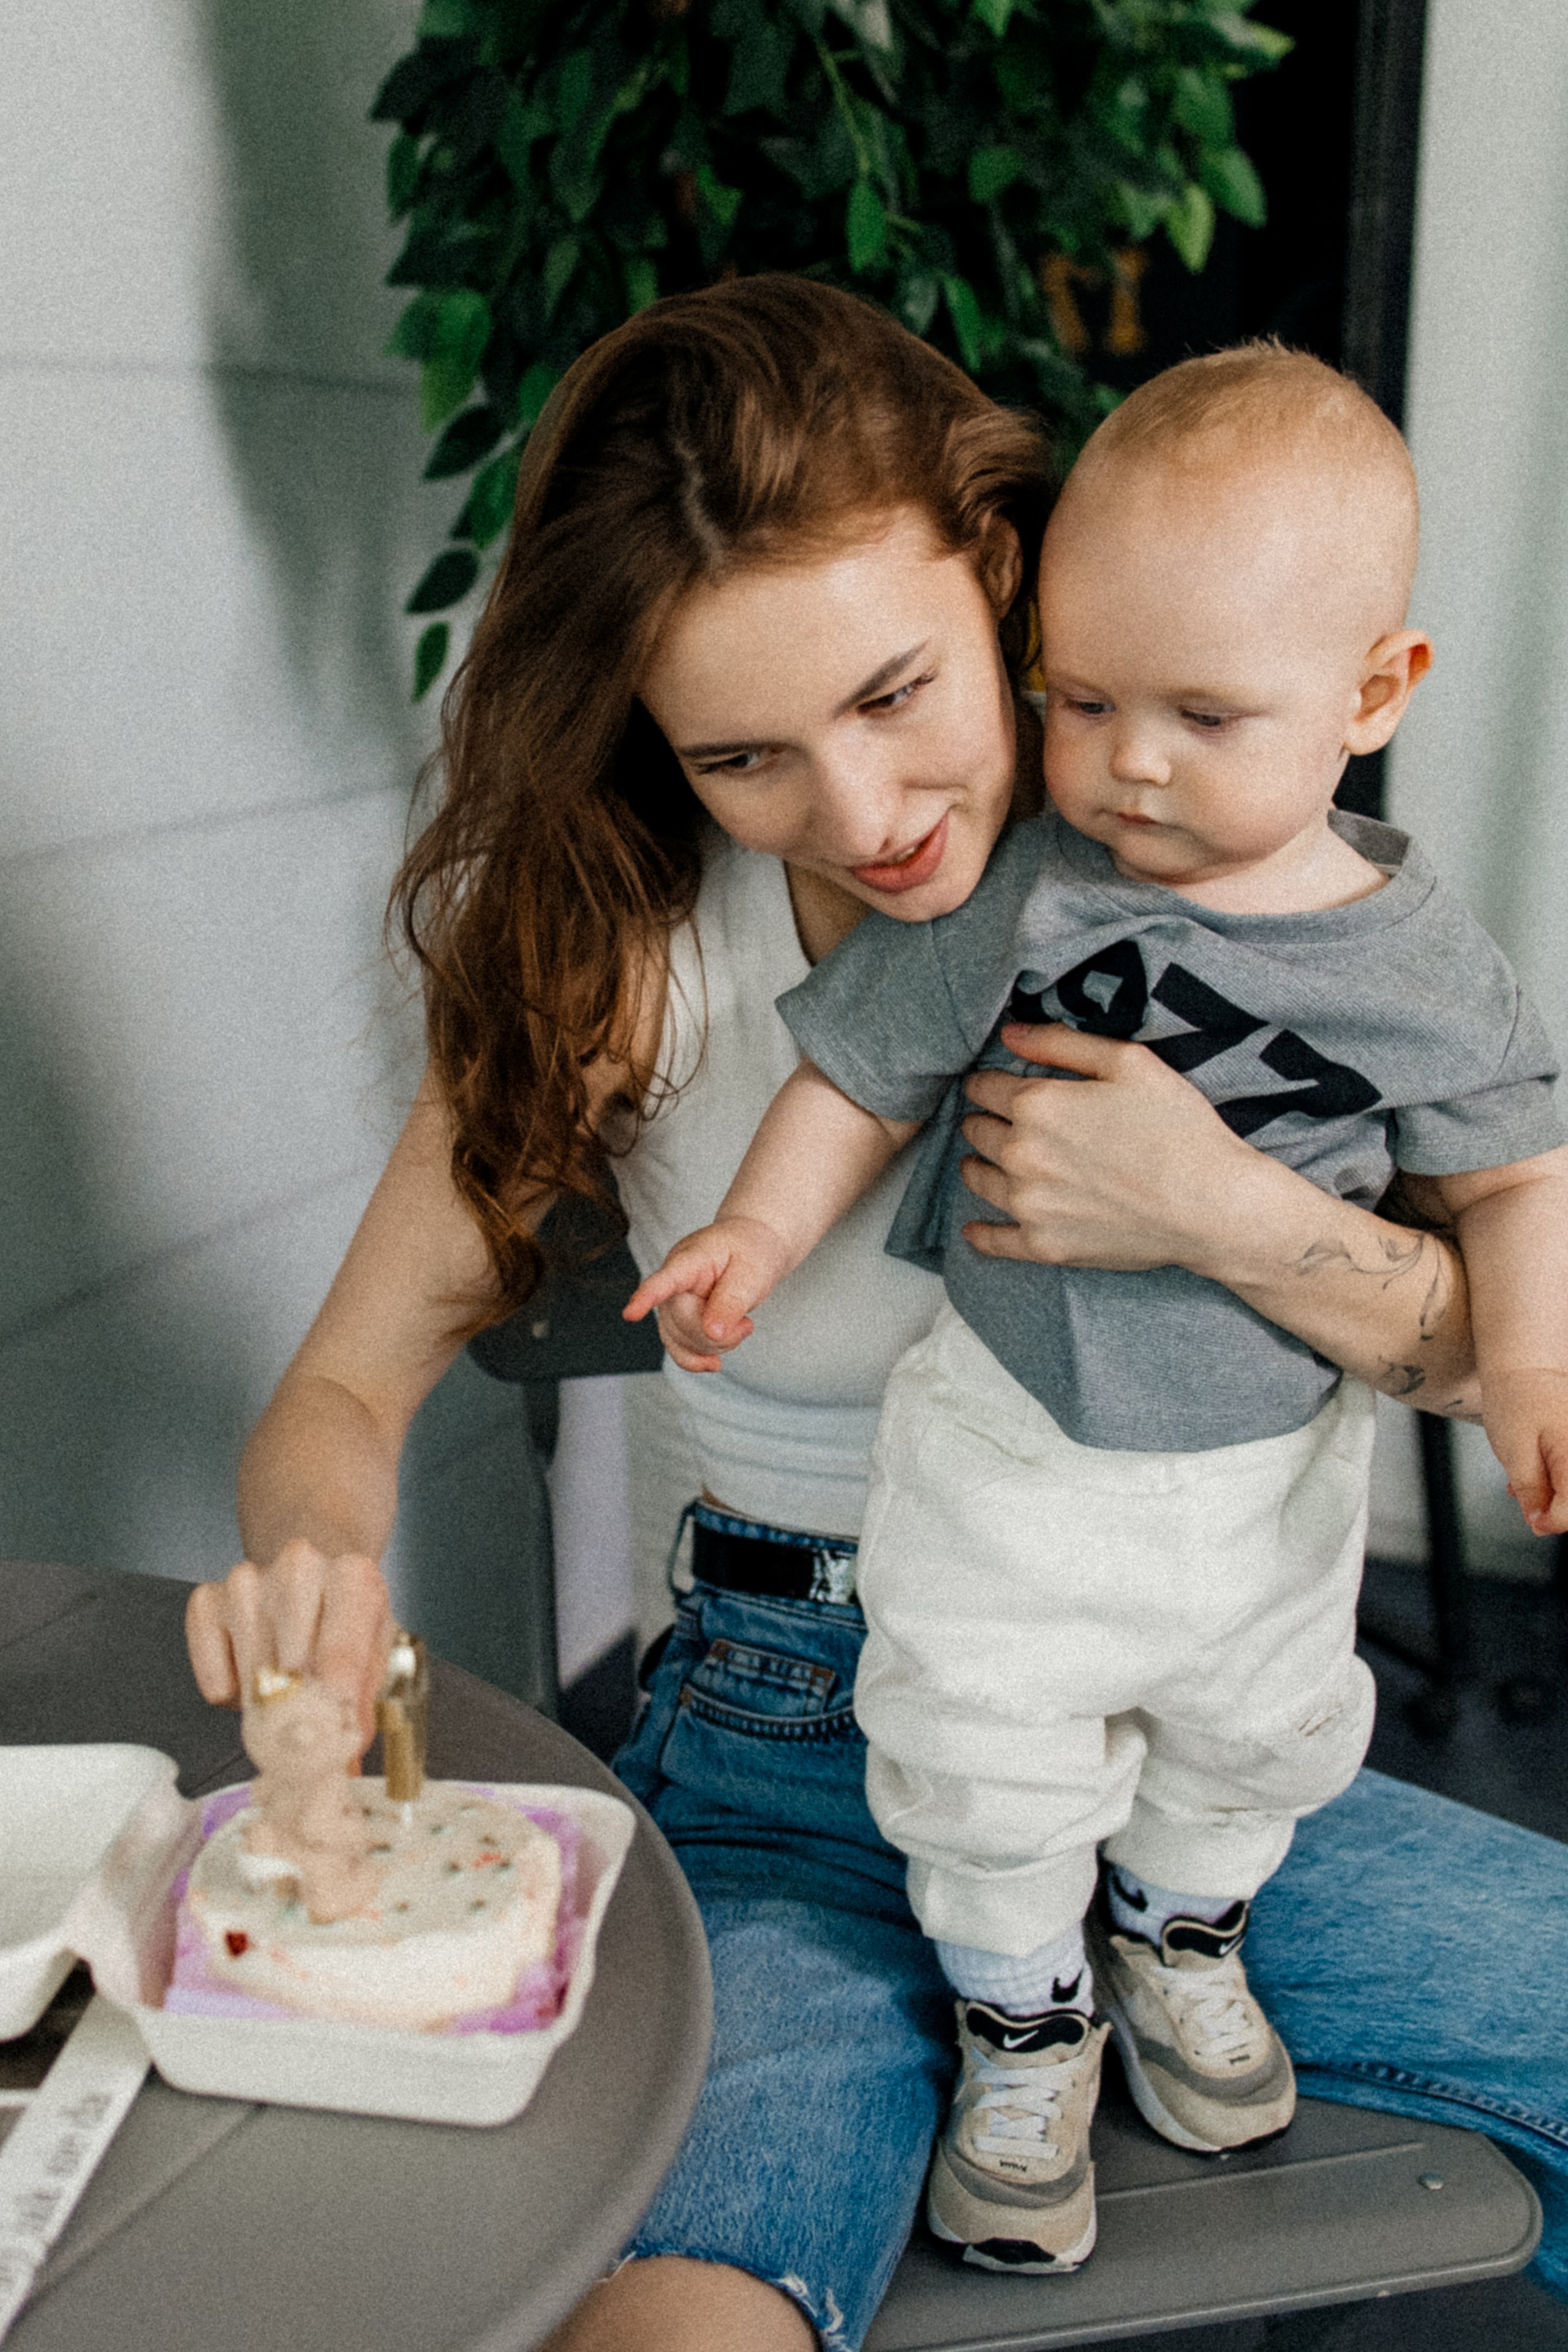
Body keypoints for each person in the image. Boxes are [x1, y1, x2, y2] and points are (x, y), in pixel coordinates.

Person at [182, 280, 1568, 2352]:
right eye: (744, 755)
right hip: (789, 1746)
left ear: (1000, 573)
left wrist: (1229, 1217)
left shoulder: (1212, 845)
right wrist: (310, 1567)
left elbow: (1490, 1338)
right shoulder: (632, 959)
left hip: (1191, 1735)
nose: (863, 813)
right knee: (672, 2322)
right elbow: (347, 1386)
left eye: (901, 693)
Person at [624, 344, 1568, 2274]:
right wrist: (753, 1235)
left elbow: (1519, 1180)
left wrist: (1528, 1347)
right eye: (1084, 701)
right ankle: (1024, 2019)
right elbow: (860, 1079)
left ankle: (1179, 1935)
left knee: (1264, 1731)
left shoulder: (1429, 969)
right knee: (978, 1734)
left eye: (1205, 715)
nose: (1132, 761)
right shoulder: (1033, 889)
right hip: (1009, 1453)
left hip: (1264, 1490)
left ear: (1375, 696)